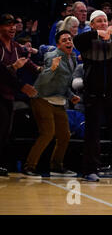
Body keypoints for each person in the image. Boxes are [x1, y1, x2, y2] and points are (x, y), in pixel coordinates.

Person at [73, 10, 112, 182]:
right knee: (92, 133)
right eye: (99, 21)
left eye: (105, 21)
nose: (103, 24)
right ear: (92, 24)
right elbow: (76, 41)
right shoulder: (87, 40)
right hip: (93, 95)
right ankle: (90, 170)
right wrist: (96, 34)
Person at [23, 30, 79, 178]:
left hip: (58, 100)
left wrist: (71, 96)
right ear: (58, 44)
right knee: (47, 133)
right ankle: (29, 167)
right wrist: (52, 69)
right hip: (41, 98)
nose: (68, 42)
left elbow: (64, 83)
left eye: (70, 39)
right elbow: (42, 81)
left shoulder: (72, 58)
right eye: (64, 40)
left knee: (65, 135)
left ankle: (56, 167)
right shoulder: (52, 56)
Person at [0, 15, 38, 177]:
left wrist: (43, 69)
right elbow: (1, 72)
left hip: (9, 95)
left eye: (14, 25)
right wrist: (21, 84)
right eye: (8, 25)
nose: (12, 28)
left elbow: (29, 62)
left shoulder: (15, 46)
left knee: (4, 132)